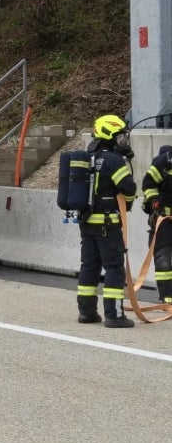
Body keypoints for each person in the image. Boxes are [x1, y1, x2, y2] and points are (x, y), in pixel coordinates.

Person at [76, 114, 136, 328]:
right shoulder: (113, 160)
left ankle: (87, 312)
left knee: (89, 266)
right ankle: (114, 315)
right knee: (114, 268)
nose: (123, 141)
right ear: (109, 135)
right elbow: (129, 188)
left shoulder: (88, 157)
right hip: (107, 224)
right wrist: (128, 200)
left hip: (87, 223)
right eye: (120, 136)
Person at [141, 144, 172, 306]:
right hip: (164, 219)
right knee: (163, 257)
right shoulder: (164, 162)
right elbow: (148, 184)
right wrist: (155, 201)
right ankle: (167, 295)